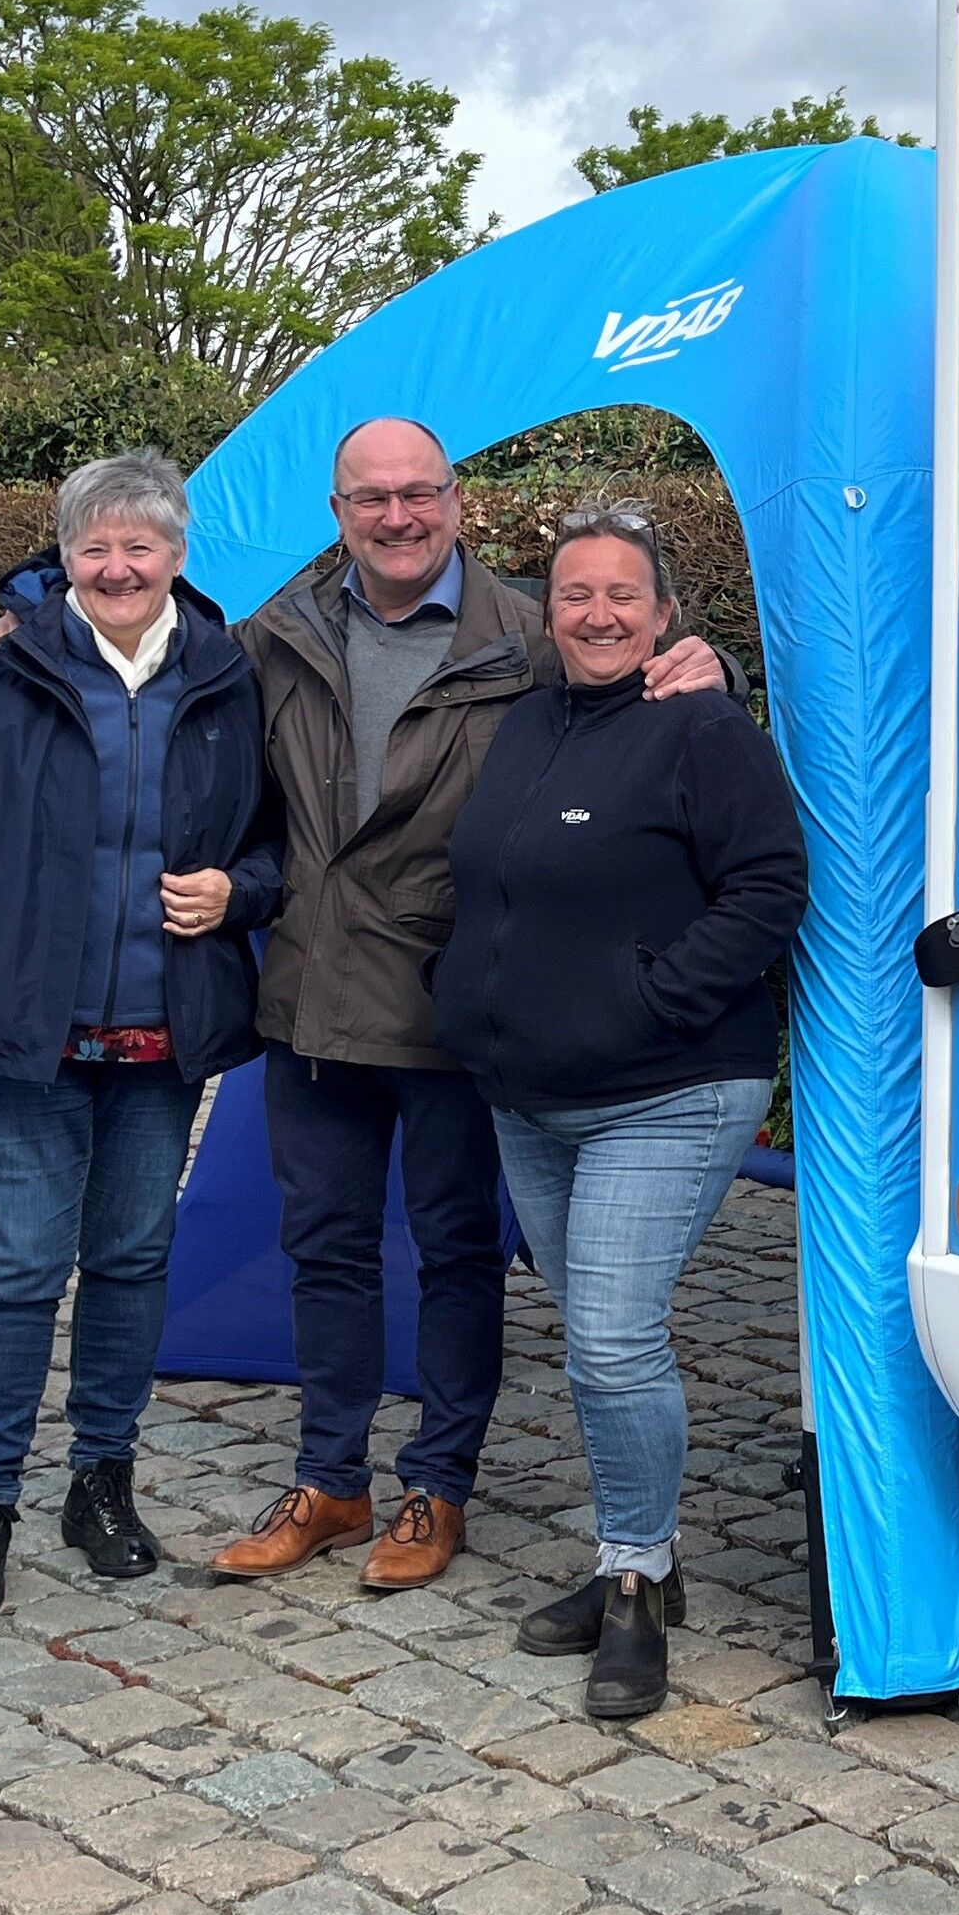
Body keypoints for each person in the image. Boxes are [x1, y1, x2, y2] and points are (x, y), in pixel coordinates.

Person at [208, 417, 725, 1592]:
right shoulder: (274, 636)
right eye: (372, 498)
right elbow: (148, 658)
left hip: (461, 998)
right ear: (337, 513)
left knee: (456, 1254)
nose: (398, 517)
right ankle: (330, 1480)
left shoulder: (530, 633)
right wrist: (21, 629)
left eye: (419, 494)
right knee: (325, 1250)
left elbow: (641, 685)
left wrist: (717, 671)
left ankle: (437, 1485)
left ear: (456, 500)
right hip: (313, 994)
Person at [0, 450, 281, 1620]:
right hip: (23, 1038)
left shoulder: (229, 682)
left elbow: (278, 839)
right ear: (63, 558)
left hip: (165, 1032)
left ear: (178, 555)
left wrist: (241, 894)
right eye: (94, 547)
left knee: (130, 1261)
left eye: (139, 546)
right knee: (16, 1271)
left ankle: (102, 1482)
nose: (117, 567)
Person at [436, 507, 808, 1716]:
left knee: (610, 1338)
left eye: (622, 595)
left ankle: (637, 1579)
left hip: (666, 1089)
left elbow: (769, 887)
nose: (598, 614)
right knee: (599, 1340)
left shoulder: (703, 726)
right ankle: (633, 1555)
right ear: (547, 612)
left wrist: (648, 1001)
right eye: (575, 594)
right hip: (529, 1095)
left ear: (664, 614)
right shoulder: (529, 721)